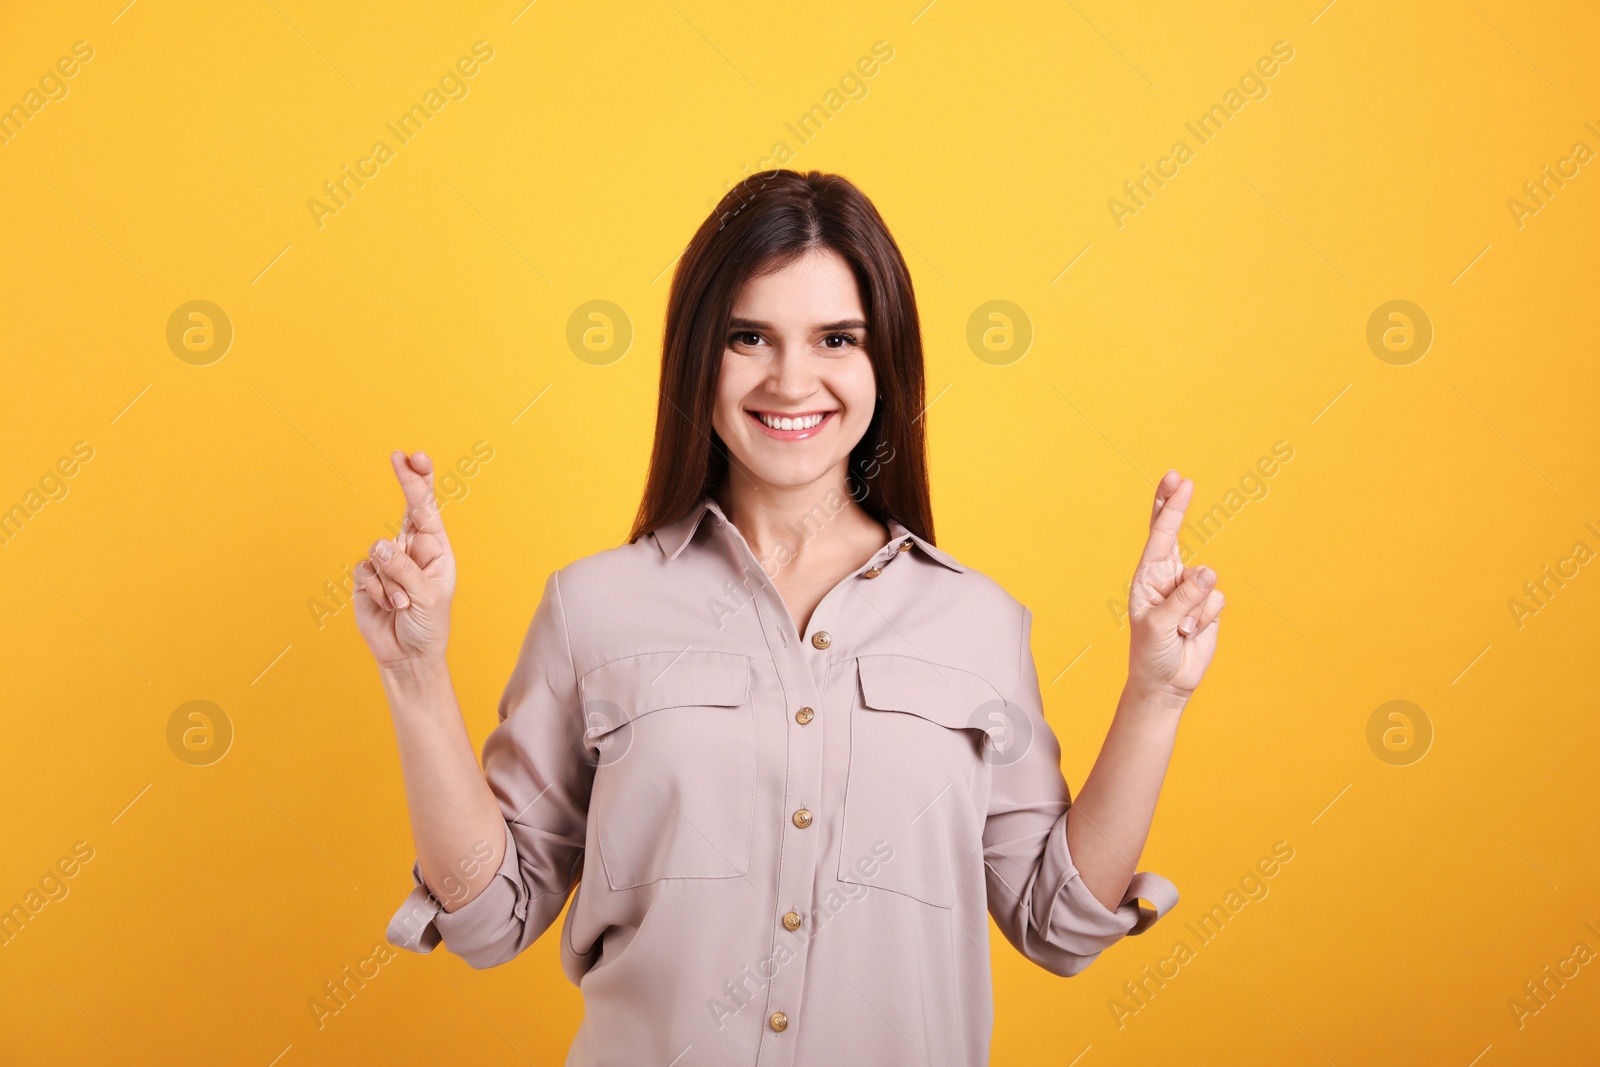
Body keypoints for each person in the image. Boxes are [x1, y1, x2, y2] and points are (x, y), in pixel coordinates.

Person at [354, 169, 1224, 1065]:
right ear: (699, 355)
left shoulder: (977, 622)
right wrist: (414, 675)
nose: (792, 379)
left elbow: (1060, 925)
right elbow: (490, 919)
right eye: (749, 337)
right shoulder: (594, 608)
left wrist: (1155, 694)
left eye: (836, 338)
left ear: (885, 360)